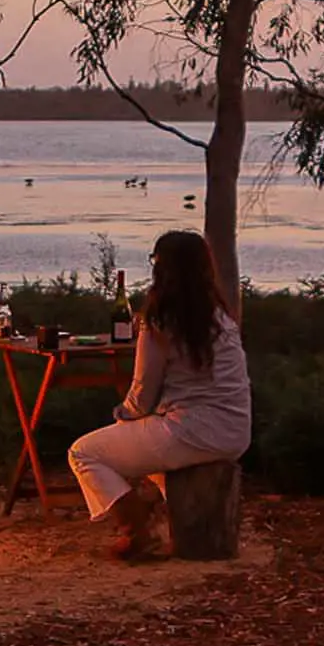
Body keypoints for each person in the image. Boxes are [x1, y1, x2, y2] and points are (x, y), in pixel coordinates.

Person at [68, 230, 251, 559]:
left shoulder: (159, 322)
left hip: (190, 430)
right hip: (235, 431)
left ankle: (136, 531)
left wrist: (121, 416)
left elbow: (141, 396)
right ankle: (176, 518)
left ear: (160, 269)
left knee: (83, 452)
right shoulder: (221, 318)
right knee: (150, 448)